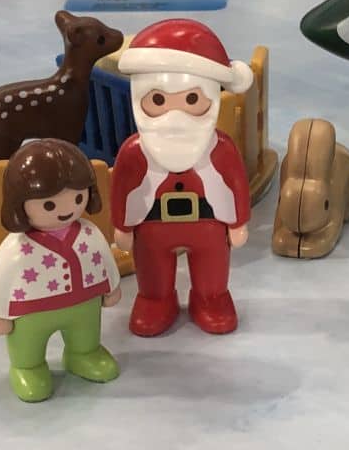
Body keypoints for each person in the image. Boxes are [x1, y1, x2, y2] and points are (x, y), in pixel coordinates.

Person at [108, 19, 253, 337]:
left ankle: (211, 298)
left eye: (191, 100)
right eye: (158, 100)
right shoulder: (134, 151)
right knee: (153, 272)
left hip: (209, 224)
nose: (176, 115)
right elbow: (121, 187)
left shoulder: (221, 147)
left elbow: (236, 183)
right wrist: (123, 225)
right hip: (152, 225)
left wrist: (238, 222)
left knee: (212, 270)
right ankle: (155, 300)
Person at [0, 139, 122, 403]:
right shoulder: (17, 246)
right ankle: (27, 367)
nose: (67, 209)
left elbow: (105, 257)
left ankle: (84, 353)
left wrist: (112, 286)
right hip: (31, 311)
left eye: (77, 198)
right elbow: (0, 278)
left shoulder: (89, 232)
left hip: (85, 302)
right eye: (49, 204)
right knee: (28, 346)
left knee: (85, 335)